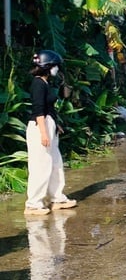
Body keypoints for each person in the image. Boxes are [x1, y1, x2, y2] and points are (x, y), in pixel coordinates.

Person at [24, 50, 77, 216]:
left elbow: (48, 108)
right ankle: (33, 204)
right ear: (47, 67)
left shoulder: (45, 83)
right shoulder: (38, 84)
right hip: (39, 126)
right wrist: (44, 132)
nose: (56, 69)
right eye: (54, 66)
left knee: (55, 164)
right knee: (40, 166)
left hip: (48, 124)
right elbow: (38, 110)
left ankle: (57, 198)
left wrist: (55, 125)